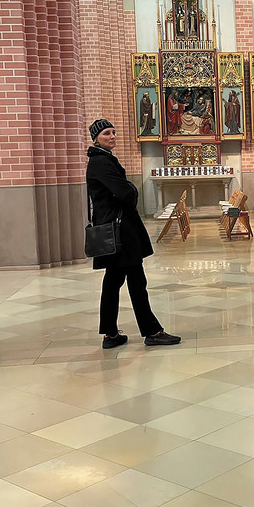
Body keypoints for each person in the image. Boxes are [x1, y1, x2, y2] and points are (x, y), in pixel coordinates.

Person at [86, 119, 181, 349]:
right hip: (120, 232)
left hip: (117, 229)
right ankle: (152, 331)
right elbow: (126, 193)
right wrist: (131, 189)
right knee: (136, 281)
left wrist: (127, 189)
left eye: (113, 132)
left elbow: (121, 191)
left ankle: (110, 334)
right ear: (96, 138)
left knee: (113, 281)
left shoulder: (102, 159)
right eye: (106, 133)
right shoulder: (101, 162)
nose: (112, 136)